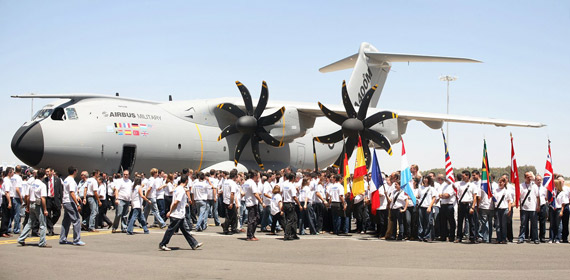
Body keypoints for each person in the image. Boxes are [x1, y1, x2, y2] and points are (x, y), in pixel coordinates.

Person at [159, 175, 203, 251]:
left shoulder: (177, 188)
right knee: (170, 230)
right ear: (186, 181)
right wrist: (170, 211)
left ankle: (194, 244)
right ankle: (162, 244)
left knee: (185, 231)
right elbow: (176, 202)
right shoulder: (181, 190)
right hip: (177, 214)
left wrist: (183, 203)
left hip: (180, 214)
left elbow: (177, 200)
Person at [17, 168, 50, 248]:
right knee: (42, 224)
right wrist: (45, 209)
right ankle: (42, 242)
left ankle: (21, 238)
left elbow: (27, 196)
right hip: (38, 205)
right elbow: (43, 198)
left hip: (31, 204)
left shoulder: (32, 183)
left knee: (30, 223)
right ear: (43, 176)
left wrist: (27, 207)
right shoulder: (42, 185)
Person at [59, 166, 86, 246]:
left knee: (66, 221)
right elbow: (71, 192)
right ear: (74, 171)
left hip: (66, 201)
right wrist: (77, 204)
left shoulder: (66, 180)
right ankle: (76, 239)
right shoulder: (71, 181)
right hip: (70, 202)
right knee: (76, 220)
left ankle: (63, 238)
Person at [455, 170, 477, 243]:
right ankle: (459, 237)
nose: (462, 177)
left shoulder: (472, 185)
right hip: (461, 204)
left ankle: (472, 237)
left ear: (468, 176)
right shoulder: (459, 184)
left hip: (469, 204)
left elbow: (474, 197)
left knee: (471, 222)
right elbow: (452, 184)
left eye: (464, 176)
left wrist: (473, 207)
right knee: (460, 221)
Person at [518, 172, 540, 244]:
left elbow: (538, 197)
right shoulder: (521, 186)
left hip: (533, 208)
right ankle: (521, 237)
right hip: (524, 208)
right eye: (528, 177)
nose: (530, 178)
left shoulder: (535, 186)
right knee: (523, 224)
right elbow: (519, 196)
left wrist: (538, 206)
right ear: (525, 177)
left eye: (531, 177)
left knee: (534, 225)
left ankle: (535, 238)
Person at [243, 171, 265, 241]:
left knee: (255, 218)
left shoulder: (246, 182)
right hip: (252, 203)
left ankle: (251, 234)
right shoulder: (252, 183)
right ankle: (250, 236)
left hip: (249, 202)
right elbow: (255, 194)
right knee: (252, 220)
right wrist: (261, 202)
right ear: (254, 176)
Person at [493, 177, 512, 244]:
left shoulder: (506, 191)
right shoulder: (495, 190)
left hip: (504, 209)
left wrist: (509, 210)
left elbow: (509, 201)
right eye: (499, 182)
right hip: (497, 209)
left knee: (503, 225)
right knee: (498, 225)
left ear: (504, 183)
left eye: (501, 182)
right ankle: (498, 238)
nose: (500, 183)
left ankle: (504, 239)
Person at [282, 173, 301, 240]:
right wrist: (299, 204)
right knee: (290, 220)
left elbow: (283, 196)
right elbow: (294, 197)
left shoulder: (285, 185)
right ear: (293, 178)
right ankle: (287, 235)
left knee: (294, 219)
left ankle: (293, 234)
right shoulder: (292, 186)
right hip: (290, 203)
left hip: (285, 203)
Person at [417, 175, 436, 242]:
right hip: (421, 206)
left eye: (426, 178)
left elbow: (434, 198)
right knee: (420, 222)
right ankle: (420, 235)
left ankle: (427, 236)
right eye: (424, 178)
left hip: (428, 206)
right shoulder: (420, 188)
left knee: (428, 222)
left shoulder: (431, 188)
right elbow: (419, 196)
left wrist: (430, 206)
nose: (425, 180)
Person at [549, 179, 568, 243]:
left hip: (558, 209)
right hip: (552, 208)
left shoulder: (562, 193)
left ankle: (557, 238)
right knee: (552, 224)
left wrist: (562, 211)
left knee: (558, 224)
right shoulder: (552, 192)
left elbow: (563, 203)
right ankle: (551, 238)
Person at [221, 169, 239, 234]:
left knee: (234, 215)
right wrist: (231, 203)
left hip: (225, 200)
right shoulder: (232, 183)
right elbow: (232, 193)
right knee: (230, 216)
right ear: (235, 176)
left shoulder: (226, 182)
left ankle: (234, 228)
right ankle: (225, 228)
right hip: (230, 201)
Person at [1, 167, 14, 238]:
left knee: (8, 215)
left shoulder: (8, 180)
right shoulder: (7, 180)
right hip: (7, 198)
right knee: (5, 216)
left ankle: (5, 231)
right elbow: (7, 192)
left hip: (8, 198)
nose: (13, 173)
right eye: (12, 172)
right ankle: (3, 231)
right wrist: (9, 202)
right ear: (9, 172)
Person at [11, 166, 23, 235]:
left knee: (11, 214)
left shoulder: (12, 177)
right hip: (16, 197)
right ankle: (16, 229)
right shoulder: (18, 178)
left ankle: (9, 228)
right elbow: (17, 188)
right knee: (17, 214)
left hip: (12, 196)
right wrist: (21, 197)